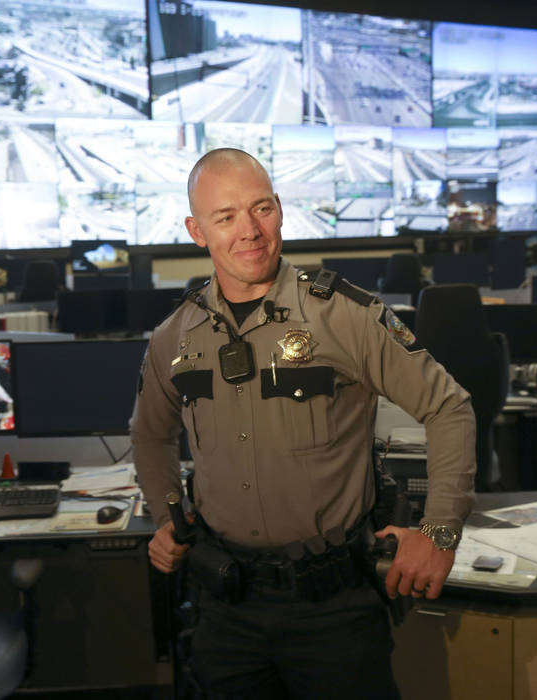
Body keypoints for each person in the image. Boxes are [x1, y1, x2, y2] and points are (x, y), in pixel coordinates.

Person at [130, 148, 476, 699]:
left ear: (280, 210)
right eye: (226, 217)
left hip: (332, 609)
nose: (250, 230)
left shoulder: (343, 315)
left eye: (261, 208)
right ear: (198, 231)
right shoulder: (175, 335)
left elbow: (449, 406)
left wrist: (439, 531)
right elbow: (150, 433)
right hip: (226, 606)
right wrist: (165, 513)